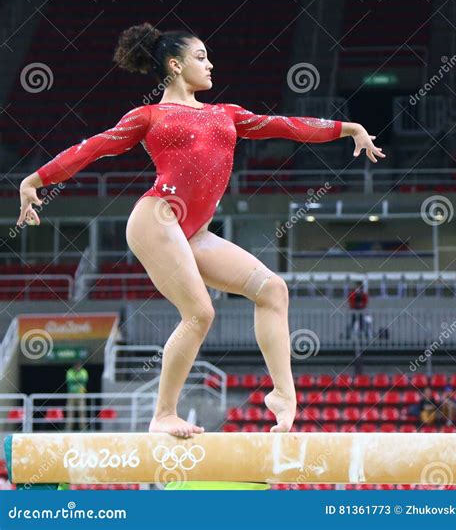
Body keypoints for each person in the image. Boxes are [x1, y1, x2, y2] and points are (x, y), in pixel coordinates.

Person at [17, 24, 385, 438]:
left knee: (272, 290)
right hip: (157, 218)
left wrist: (345, 128)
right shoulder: (149, 115)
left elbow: (284, 125)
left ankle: (283, 394)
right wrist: (35, 180)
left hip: (196, 233)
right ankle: (163, 414)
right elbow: (93, 146)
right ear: (174, 65)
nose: (210, 65)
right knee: (200, 313)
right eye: (200, 57)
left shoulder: (226, 113)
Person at [65, 359, 89, 431]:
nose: (78, 366)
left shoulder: (84, 371)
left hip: (81, 394)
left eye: (79, 365)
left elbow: (84, 379)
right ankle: (68, 429)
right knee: (70, 412)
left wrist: (75, 379)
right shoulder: (70, 371)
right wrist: (77, 379)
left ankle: (83, 428)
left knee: (82, 411)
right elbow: (69, 379)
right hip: (71, 395)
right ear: (74, 366)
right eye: (76, 365)